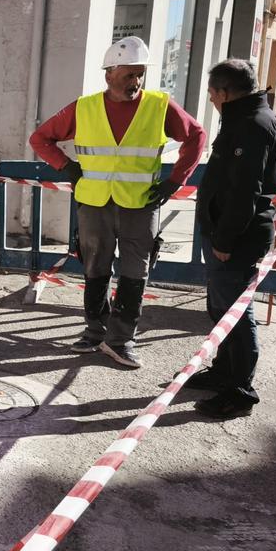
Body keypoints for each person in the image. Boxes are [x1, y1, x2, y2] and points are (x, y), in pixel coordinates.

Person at [30, 36, 206, 369]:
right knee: (95, 269)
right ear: (109, 74)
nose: (135, 82)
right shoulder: (84, 108)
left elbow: (197, 135)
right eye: (128, 75)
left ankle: (121, 340)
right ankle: (95, 332)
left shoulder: (159, 106)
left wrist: (175, 180)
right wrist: (66, 167)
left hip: (140, 204)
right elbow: (40, 138)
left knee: (135, 272)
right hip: (94, 204)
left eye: (139, 74)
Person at [189, 59, 276, 418]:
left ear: (224, 93)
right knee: (222, 308)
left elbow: (245, 193)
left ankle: (240, 392)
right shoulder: (245, 118)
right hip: (226, 234)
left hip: (235, 239)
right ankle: (224, 372)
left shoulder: (251, 125)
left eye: (212, 94)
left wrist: (224, 241)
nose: (211, 100)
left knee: (236, 315)